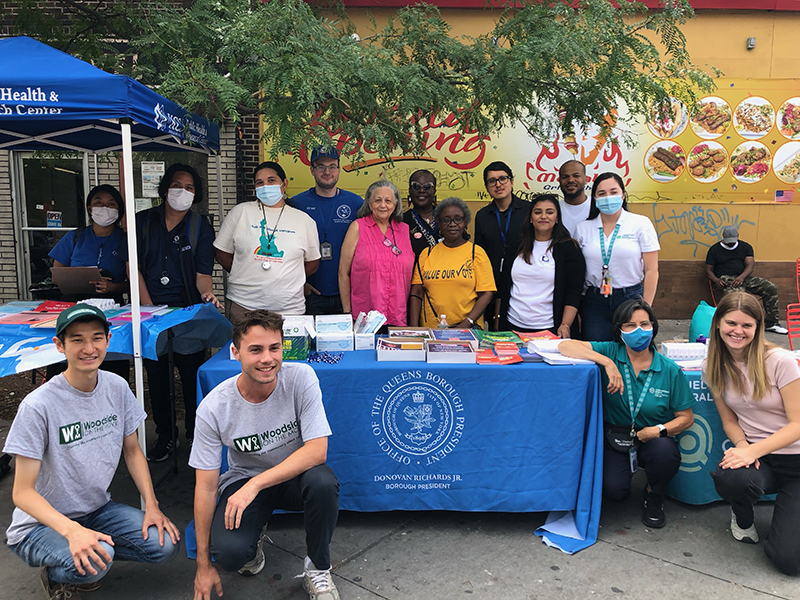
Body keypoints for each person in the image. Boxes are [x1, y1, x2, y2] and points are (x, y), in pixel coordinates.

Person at [4, 304, 179, 600]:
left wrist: (151, 505)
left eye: (97, 338)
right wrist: (72, 531)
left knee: (163, 545)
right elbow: (22, 493)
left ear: (109, 341)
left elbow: (133, 450)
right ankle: (59, 572)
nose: (89, 348)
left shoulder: (117, 387)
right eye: (77, 340)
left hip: (96, 510)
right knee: (99, 560)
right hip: (39, 525)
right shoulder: (38, 406)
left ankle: (92, 553)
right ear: (59, 345)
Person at [190, 310, 340, 600]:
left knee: (323, 483)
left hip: (293, 478)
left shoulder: (301, 378)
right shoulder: (213, 408)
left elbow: (317, 450)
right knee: (230, 556)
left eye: (274, 348)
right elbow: (206, 487)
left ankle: (318, 567)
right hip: (245, 480)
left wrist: (256, 485)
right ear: (235, 353)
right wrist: (202, 565)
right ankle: (252, 539)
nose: (267, 359)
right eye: (255, 350)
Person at [560, 299, 695, 528]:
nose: (639, 331)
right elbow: (566, 346)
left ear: (654, 326)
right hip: (615, 436)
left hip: (652, 436)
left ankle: (654, 494)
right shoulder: (611, 351)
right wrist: (606, 363)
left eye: (644, 324)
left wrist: (659, 430)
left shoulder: (669, 369)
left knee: (665, 454)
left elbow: (686, 417)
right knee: (614, 491)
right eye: (630, 325)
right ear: (619, 330)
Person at [703, 291, 800, 575]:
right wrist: (744, 447)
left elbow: (797, 424)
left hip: (796, 461)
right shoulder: (712, 366)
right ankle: (742, 514)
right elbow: (729, 420)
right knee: (733, 476)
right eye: (731, 323)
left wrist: (753, 450)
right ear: (718, 323)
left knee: (789, 562)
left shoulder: (780, 361)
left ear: (758, 327)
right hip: (763, 460)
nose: (738, 331)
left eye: (747, 325)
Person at [133, 162, 221, 463]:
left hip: (188, 316)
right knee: (157, 378)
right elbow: (136, 269)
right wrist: (148, 308)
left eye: (189, 187)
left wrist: (207, 293)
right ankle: (166, 436)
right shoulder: (142, 223)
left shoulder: (200, 227)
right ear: (164, 188)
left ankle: (197, 435)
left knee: (191, 375)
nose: (181, 191)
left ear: (195, 194)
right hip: (151, 314)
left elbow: (203, 274)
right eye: (176, 184)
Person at [215, 161, 321, 322]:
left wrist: (288, 277)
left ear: (284, 184)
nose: (265, 186)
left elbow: (312, 263)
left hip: (289, 309)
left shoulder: (304, 221)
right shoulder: (240, 212)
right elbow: (221, 254)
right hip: (244, 306)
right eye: (259, 182)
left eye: (271, 180)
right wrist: (245, 271)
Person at [48, 184, 130, 381]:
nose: (105, 208)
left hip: (110, 308)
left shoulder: (126, 240)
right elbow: (55, 274)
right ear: (89, 208)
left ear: (119, 210)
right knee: (69, 359)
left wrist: (112, 287)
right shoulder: (75, 237)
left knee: (111, 362)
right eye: (98, 203)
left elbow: (134, 280)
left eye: (111, 204)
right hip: (72, 307)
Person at [573, 172, 660, 342]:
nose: (608, 198)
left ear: (623, 194)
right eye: (601, 193)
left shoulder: (640, 223)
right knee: (598, 352)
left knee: (633, 351)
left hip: (630, 297)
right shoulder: (583, 228)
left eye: (613, 192)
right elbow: (577, 272)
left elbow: (652, 270)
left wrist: (646, 308)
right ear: (595, 198)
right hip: (594, 301)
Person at [496, 194, 585, 337]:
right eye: (538, 212)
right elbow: (503, 285)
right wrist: (498, 323)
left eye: (549, 212)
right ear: (530, 217)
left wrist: (565, 324)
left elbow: (573, 291)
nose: (543, 216)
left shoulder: (568, 248)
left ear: (557, 218)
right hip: (513, 326)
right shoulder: (516, 246)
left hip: (550, 328)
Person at [290, 148, 362, 315]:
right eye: (321, 166)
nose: (327, 172)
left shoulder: (355, 203)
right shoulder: (297, 204)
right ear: (312, 170)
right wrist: (301, 283)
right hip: (311, 293)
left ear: (339, 169)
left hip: (347, 293)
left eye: (332, 166)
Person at [408, 197, 495, 329]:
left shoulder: (476, 253)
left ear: (465, 223)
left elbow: (487, 293)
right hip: (431, 330)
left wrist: (467, 323)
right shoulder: (427, 254)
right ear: (439, 224)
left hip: (468, 330)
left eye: (458, 219)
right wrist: (414, 328)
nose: (452, 224)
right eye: (446, 220)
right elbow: (417, 292)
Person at [339, 180, 414, 326]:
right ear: (369, 203)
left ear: (396, 204)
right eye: (377, 200)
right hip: (364, 317)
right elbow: (343, 272)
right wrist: (347, 312)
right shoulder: (357, 227)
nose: (383, 205)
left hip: (397, 316)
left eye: (388, 201)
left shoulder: (405, 230)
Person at [473, 161, 530, 330]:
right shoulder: (482, 216)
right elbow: (479, 252)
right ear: (486, 186)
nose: (498, 184)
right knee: (495, 329)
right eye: (492, 181)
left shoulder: (529, 211)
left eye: (503, 179)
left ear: (511, 182)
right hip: (492, 282)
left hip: (522, 281)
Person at [705, 226, 788, 334]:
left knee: (770, 287)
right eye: (728, 241)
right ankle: (734, 325)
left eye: (732, 240)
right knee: (737, 296)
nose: (730, 243)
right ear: (723, 237)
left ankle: (771, 323)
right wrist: (716, 280)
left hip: (743, 277)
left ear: (737, 236)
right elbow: (708, 270)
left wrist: (742, 277)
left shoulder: (745, 247)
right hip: (724, 279)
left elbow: (750, 265)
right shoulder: (715, 249)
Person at [402, 169, 440, 258]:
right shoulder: (402, 222)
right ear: (409, 191)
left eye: (427, 186)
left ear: (434, 191)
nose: (421, 190)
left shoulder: (446, 218)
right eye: (416, 186)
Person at [558, 160, 590, 236]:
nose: (571, 180)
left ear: (586, 180)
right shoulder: (554, 210)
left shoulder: (597, 207)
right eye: (565, 177)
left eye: (576, 176)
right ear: (559, 181)